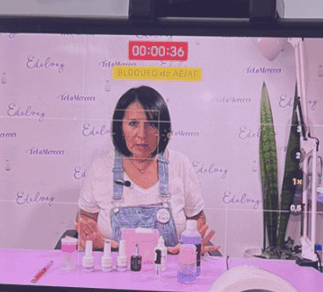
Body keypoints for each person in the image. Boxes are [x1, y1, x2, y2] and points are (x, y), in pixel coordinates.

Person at [76, 85, 218, 253]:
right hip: (114, 265)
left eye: (151, 124)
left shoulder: (179, 164)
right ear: (120, 128)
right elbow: (86, 218)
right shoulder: (100, 167)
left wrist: (190, 245)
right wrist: (93, 241)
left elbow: (196, 217)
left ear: (162, 129)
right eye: (133, 124)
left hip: (170, 264)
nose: (142, 134)